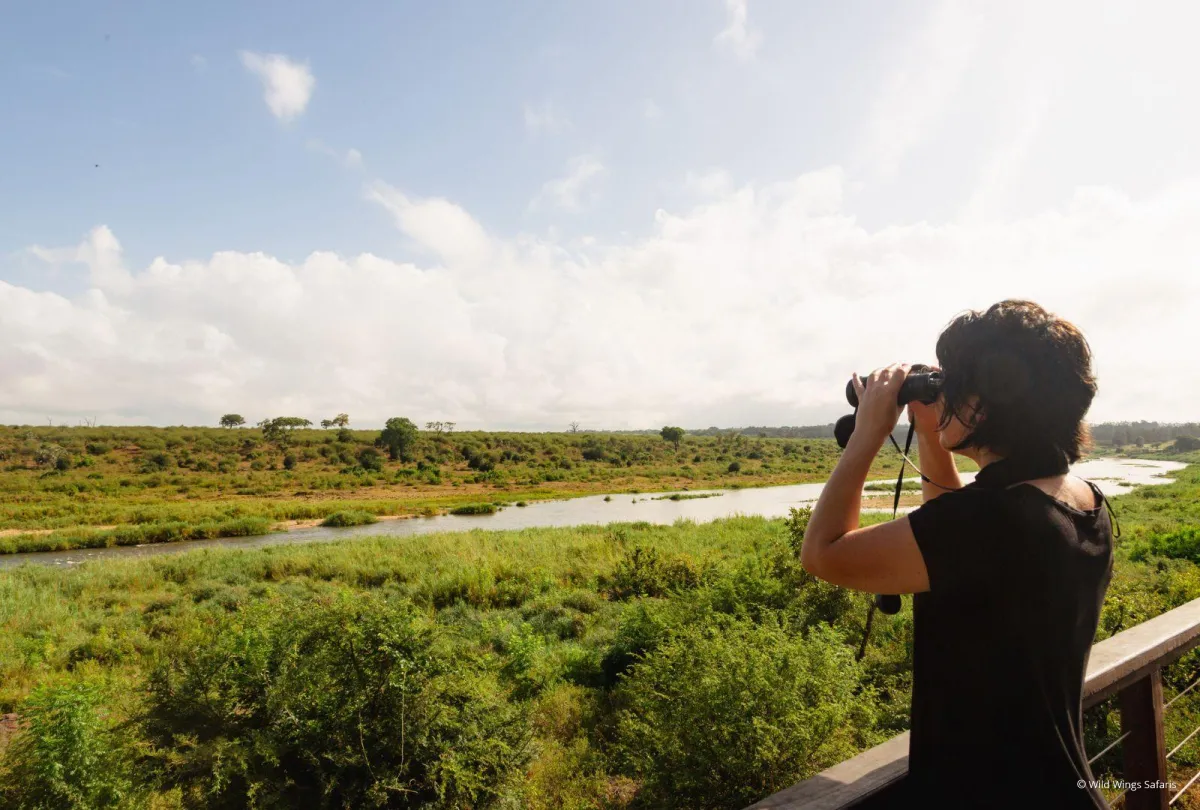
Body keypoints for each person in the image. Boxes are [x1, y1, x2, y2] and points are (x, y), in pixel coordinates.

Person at [801, 300, 1114, 809]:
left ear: (985, 404)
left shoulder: (993, 520)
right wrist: (930, 433)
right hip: (1056, 784)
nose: (942, 394)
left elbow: (823, 553)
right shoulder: (1081, 500)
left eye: (954, 383)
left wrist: (866, 435)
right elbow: (957, 546)